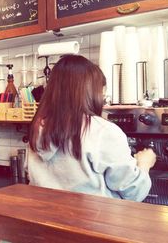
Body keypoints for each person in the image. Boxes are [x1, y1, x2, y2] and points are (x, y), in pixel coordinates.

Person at [27, 55, 156, 202]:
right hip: (92, 223)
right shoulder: (103, 131)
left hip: (47, 220)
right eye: (100, 91)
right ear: (90, 92)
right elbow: (134, 192)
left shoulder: (37, 129)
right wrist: (144, 164)